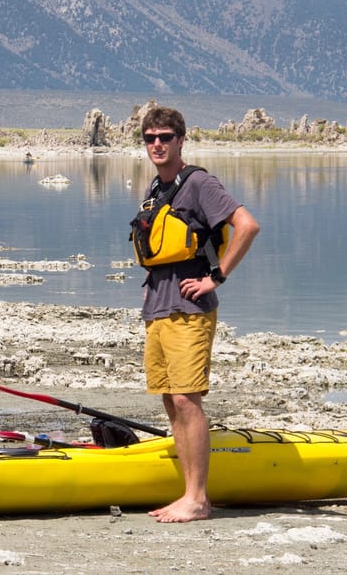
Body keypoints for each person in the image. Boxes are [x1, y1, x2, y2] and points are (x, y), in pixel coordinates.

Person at [135, 107, 259, 522]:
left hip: (189, 308)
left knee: (188, 399)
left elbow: (247, 226)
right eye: (150, 137)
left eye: (165, 137)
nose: (157, 144)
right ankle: (188, 493)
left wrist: (216, 276)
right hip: (159, 306)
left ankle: (198, 499)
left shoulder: (200, 183)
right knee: (172, 402)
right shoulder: (156, 188)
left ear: (181, 140)